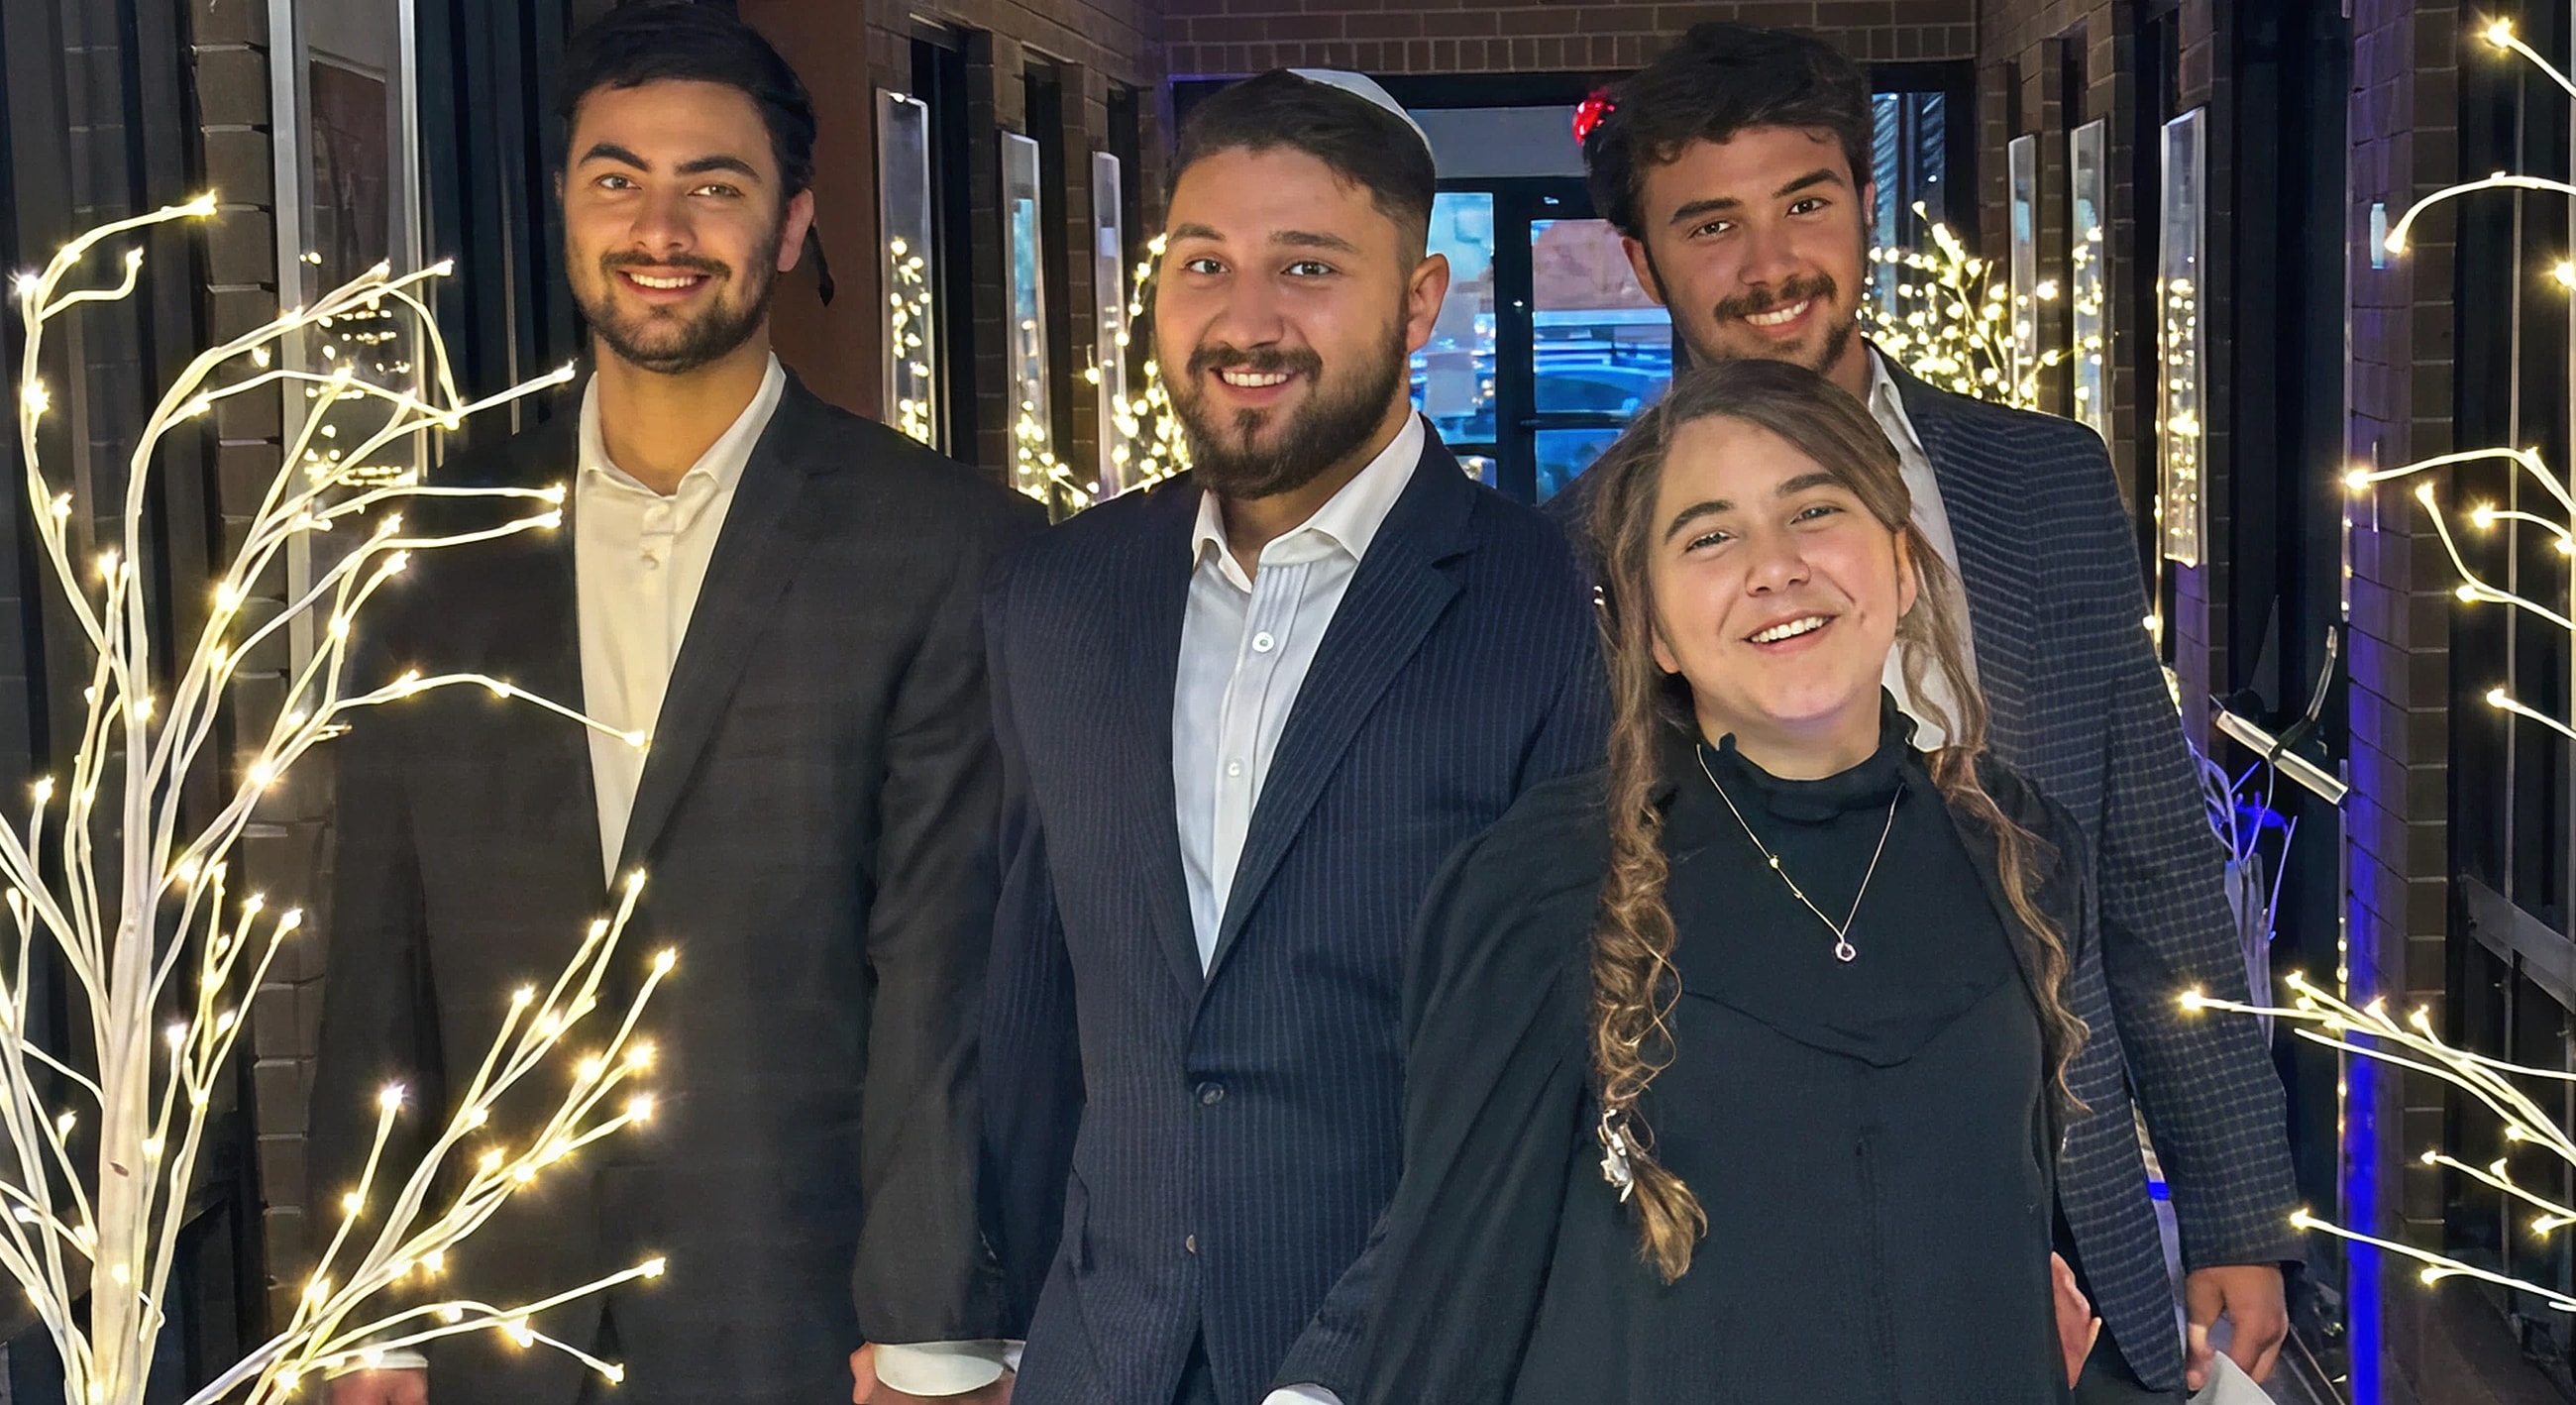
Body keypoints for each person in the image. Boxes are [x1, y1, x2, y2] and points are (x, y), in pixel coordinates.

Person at [1558, 24, 2302, 1401]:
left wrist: (2241, 1204)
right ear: (1646, 263)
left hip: (2081, 1222)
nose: (1771, 262)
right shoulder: (1584, 551)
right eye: (1711, 224)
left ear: (1862, 207)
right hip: (1755, 1271)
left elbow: (2153, 868)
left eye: (1808, 201)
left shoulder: (2043, 484)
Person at [309, 8, 1038, 1404]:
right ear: (566, 204)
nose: (661, 224)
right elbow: (377, 965)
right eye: (616, 177)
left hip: (807, 1318)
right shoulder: (430, 550)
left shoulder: (942, 547)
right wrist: (364, 1308)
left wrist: (941, 1322)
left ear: (789, 222)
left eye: (715, 183)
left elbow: (945, 977)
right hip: (492, 1319)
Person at [979, 70, 1605, 1405]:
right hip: (1100, 1359)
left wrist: (1335, 1376)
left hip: (1415, 1361)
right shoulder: (1058, 594)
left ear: (1422, 300)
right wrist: (993, 1323)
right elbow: (1031, 994)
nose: (1245, 319)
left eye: (1307, 267)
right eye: (1205, 262)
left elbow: (1543, 1064)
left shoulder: (1548, 601)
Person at [1359, 358, 2099, 1403]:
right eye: (1707, 535)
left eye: (1812, 509)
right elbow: (1450, 1305)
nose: (1774, 564)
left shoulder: (2019, 851)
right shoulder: (1545, 887)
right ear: (1654, 629)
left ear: (1899, 564)